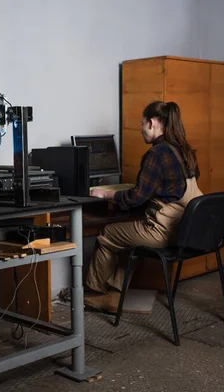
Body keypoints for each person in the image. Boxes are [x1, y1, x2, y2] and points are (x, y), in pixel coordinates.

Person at [85, 101, 203, 312]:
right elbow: (174, 188)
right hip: (186, 230)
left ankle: (95, 293)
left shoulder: (156, 154)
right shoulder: (184, 150)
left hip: (163, 232)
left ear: (151, 123)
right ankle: (115, 293)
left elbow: (135, 198)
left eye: (141, 124)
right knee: (126, 235)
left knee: (106, 234)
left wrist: (106, 193)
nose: (141, 129)